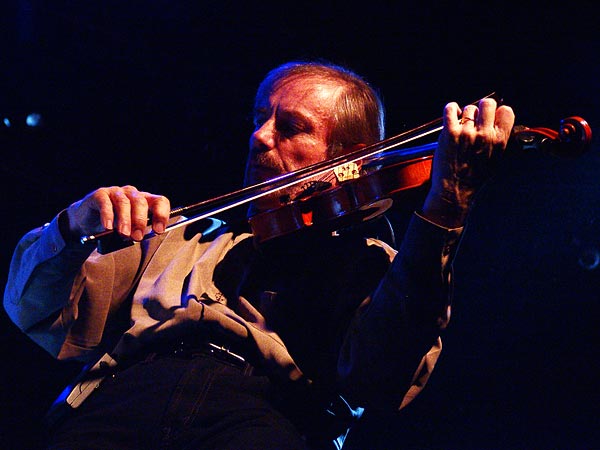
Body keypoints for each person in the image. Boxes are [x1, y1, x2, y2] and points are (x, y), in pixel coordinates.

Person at [3, 60, 515, 449]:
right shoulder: (175, 232)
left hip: (269, 414)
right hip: (127, 397)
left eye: (290, 127)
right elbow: (34, 308)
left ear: (348, 162)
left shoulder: (376, 265)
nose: (259, 136)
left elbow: (384, 379)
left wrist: (448, 206)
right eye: (259, 118)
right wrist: (71, 227)